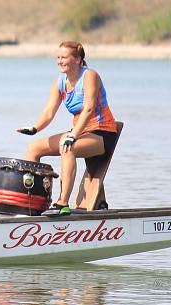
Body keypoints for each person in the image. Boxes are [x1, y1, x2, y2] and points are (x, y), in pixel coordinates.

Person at [17, 41, 118, 216]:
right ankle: (33, 202)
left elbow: (88, 108)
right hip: (80, 133)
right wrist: (34, 128)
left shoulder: (90, 76)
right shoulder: (60, 82)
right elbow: (49, 112)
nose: (59, 61)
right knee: (33, 148)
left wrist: (73, 135)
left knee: (67, 147)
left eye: (64, 57)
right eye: (58, 57)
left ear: (78, 59)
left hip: (102, 134)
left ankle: (62, 203)